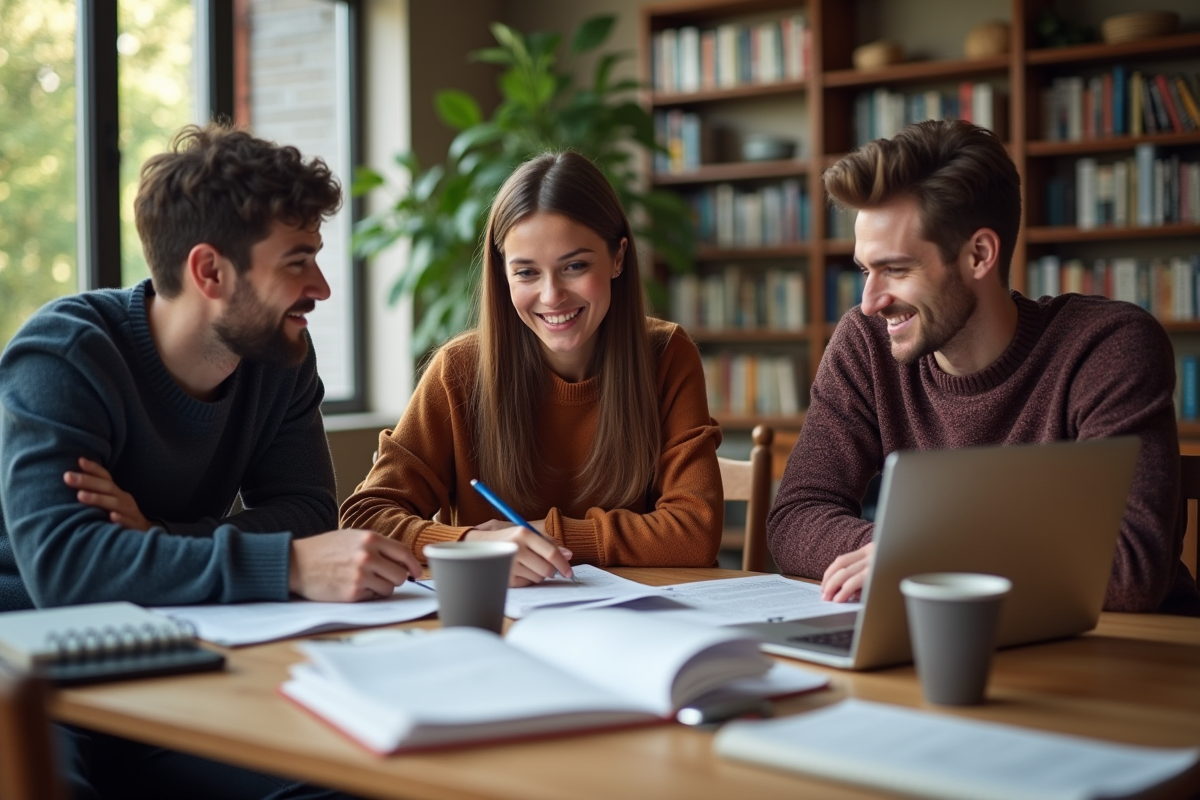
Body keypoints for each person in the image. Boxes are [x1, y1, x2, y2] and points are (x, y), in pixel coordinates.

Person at [0, 123, 419, 798]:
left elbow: (310, 514)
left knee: (338, 783)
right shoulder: (64, 354)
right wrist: (282, 563)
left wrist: (154, 541)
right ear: (209, 271)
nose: (321, 287)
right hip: (27, 653)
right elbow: (67, 573)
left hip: (180, 643)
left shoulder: (279, 360)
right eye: (297, 261)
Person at [767, 119, 1200, 616]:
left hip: (1129, 654)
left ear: (979, 255)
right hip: (953, 635)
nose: (869, 302)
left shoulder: (1106, 347)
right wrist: (906, 553)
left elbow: (1131, 570)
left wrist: (923, 556)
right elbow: (796, 516)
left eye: (897, 269)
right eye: (866, 270)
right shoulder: (866, 345)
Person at [340, 151, 723, 585]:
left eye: (575, 266)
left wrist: (547, 535)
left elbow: (695, 531)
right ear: (503, 275)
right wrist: (468, 544)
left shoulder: (667, 355)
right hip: (500, 621)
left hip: (636, 622)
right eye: (526, 273)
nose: (551, 295)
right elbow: (364, 518)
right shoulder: (459, 370)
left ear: (618, 258)